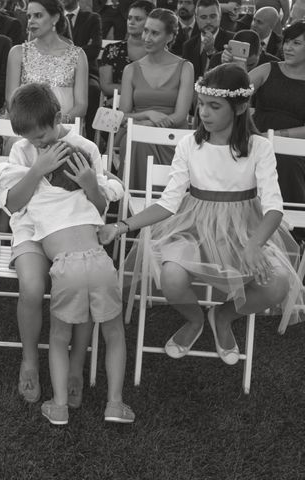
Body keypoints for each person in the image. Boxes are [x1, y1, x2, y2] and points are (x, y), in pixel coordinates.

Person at [100, 64, 304, 368]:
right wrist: (120, 226)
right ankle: (194, 319)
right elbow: (168, 203)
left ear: (241, 107)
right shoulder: (189, 144)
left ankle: (222, 315)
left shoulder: (259, 147)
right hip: (192, 226)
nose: (204, 113)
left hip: (244, 230)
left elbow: (274, 207)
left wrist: (254, 245)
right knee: (171, 276)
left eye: (214, 106)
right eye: (202, 104)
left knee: (278, 283)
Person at [0, 83, 132, 425]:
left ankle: (75, 366)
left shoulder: (85, 147)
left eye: (41, 136)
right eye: (30, 138)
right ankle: (29, 359)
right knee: (31, 286)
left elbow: (100, 207)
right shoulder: (23, 150)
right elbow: (12, 205)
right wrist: (38, 168)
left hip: (71, 227)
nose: (37, 143)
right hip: (30, 226)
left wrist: (89, 184)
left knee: (79, 293)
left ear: (57, 118)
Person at [118, 8, 194, 189]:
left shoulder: (185, 67)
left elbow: (180, 116)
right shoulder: (131, 70)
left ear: (169, 37)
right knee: (137, 140)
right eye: (146, 30)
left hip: (172, 136)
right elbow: (122, 116)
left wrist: (151, 127)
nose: (147, 37)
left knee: (140, 138)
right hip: (137, 132)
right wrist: (149, 115)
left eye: (154, 33)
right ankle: (137, 204)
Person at [248, 21, 305, 205]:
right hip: (256, 135)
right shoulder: (268, 69)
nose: (288, 47)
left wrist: (276, 137)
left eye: (296, 43)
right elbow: (236, 92)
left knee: (286, 162)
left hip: (294, 145)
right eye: (287, 42)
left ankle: (291, 226)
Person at [6, 0, 88, 125]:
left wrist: (58, 123)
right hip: (27, 128)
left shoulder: (78, 55)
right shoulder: (18, 53)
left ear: (55, 18)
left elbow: (81, 106)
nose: (31, 21)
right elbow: (10, 101)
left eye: (38, 15)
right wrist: (35, 126)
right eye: (29, 16)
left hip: (64, 129)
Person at [61, 0, 102, 137]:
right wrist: (81, 48)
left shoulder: (92, 18)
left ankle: (91, 138)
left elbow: (95, 49)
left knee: (93, 89)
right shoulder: (54, 18)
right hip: (58, 70)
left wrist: (64, 53)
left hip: (88, 72)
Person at [99, 0, 152, 97]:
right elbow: (106, 87)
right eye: (129, 18)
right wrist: (138, 91)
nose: (131, 22)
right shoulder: (112, 49)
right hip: (116, 107)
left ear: (151, 22)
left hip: (150, 104)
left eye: (138, 19)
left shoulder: (156, 51)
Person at [181, 0, 233, 81]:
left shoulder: (232, 40)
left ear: (220, 16)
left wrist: (211, 52)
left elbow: (231, 75)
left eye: (212, 16)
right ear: (196, 19)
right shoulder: (188, 45)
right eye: (203, 17)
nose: (208, 21)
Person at [208, 29, 279, 71]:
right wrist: (224, 67)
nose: (244, 69)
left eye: (250, 65)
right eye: (238, 63)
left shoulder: (274, 66)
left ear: (260, 50)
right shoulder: (218, 60)